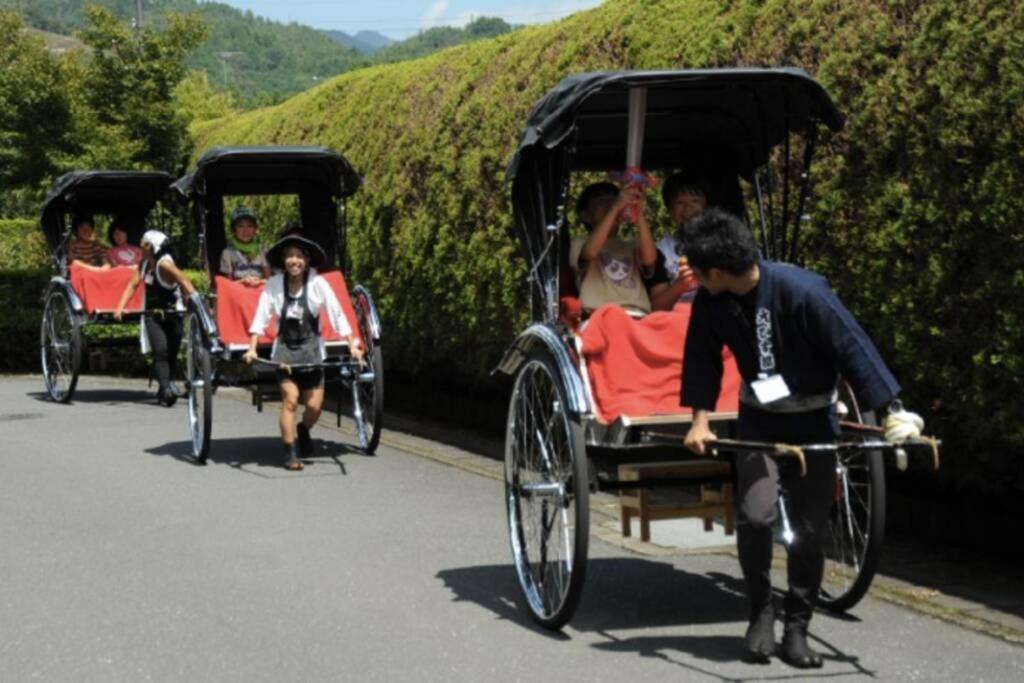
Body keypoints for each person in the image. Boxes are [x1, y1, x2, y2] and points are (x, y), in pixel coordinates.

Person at [679, 209, 924, 668]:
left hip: (814, 420)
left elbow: (854, 348)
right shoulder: (712, 302)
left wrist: (893, 412)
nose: (696, 278)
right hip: (759, 419)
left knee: (810, 531)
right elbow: (702, 359)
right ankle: (760, 614)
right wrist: (700, 420)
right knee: (755, 516)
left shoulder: (803, 291)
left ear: (716, 271)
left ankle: (797, 628)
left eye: (696, 269)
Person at [243, 232, 364, 471]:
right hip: (285, 352)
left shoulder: (318, 284)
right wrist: (252, 347)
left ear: (307, 260)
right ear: (283, 260)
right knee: (290, 399)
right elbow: (261, 316)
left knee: (314, 407)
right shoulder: (275, 285)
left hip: (311, 352)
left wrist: (352, 344)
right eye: (289, 256)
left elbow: (337, 313)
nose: (294, 261)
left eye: (299, 256)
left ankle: (303, 429)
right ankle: (290, 453)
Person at [113, 230, 197, 406]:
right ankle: (166, 390)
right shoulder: (144, 263)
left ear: (151, 247)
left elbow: (184, 280)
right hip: (153, 315)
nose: (139, 246)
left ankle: (165, 386)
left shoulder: (164, 265)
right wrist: (120, 307)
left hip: (175, 313)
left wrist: (197, 302)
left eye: (143, 243)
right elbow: (132, 284)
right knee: (161, 350)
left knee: (172, 353)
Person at [568, 182, 659, 317]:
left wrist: (638, 214)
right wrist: (616, 207)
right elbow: (589, 252)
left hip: (638, 314)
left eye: (613, 199)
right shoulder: (579, 242)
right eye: (601, 201)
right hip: (598, 315)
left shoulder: (631, 243)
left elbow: (650, 261)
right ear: (585, 215)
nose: (610, 203)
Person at [649, 172, 708, 310]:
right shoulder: (661, 250)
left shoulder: (723, 242)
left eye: (695, 201)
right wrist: (680, 284)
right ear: (670, 210)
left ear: (706, 204)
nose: (688, 208)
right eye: (680, 202)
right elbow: (657, 307)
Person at [219, 206, 271, 286]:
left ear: (255, 229)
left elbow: (270, 280)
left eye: (250, 226)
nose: (246, 230)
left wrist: (259, 282)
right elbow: (227, 285)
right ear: (233, 230)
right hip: (238, 294)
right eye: (240, 226)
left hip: (260, 293)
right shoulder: (228, 253)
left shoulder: (263, 250)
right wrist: (242, 281)